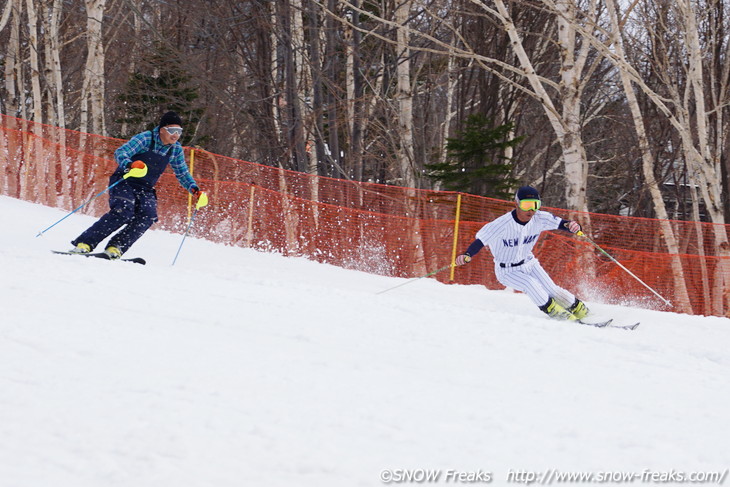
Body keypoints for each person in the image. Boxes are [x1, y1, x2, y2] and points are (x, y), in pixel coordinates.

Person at [68, 111, 203, 258]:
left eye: (179, 131)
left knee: (148, 215)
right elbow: (120, 152)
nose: (175, 135)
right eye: (172, 130)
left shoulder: (175, 149)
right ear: (162, 129)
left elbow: (182, 173)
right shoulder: (145, 138)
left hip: (145, 187)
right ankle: (85, 243)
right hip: (125, 180)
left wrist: (194, 189)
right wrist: (131, 164)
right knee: (124, 210)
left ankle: (116, 247)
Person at [454, 186, 589, 321]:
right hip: (507, 270)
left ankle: (582, 311)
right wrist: (467, 255)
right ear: (517, 203)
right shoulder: (502, 224)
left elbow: (563, 224)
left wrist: (573, 226)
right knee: (530, 284)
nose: (531, 210)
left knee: (553, 290)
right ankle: (559, 314)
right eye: (526, 205)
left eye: (535, 205)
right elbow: (480, 241)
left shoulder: (540, 218)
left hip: (529, 263)